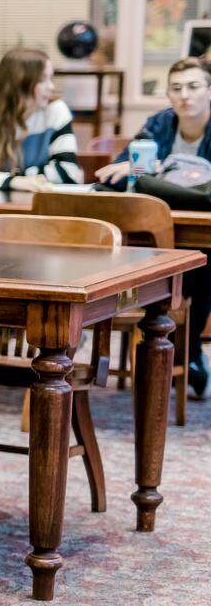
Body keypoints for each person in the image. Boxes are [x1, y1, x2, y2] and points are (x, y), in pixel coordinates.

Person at [95, 57, 211, 396]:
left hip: (201, 234)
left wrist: (154, 174)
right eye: (176, 88)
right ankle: (180, 355)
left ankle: (184, 352)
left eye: (193, 87)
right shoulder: (159, 124)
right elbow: (120, 172)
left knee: (204, 267)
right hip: (153, 236)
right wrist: (137, 169)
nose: (184, 96)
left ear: (209, 90)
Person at [0, 47, 82, 191]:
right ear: (19, 84)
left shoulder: (56, 111)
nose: (51, 87)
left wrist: (14, 178)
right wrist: (15, 181)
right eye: (42, 80)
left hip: (38, 207)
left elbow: (69, 171)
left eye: (51, 78)